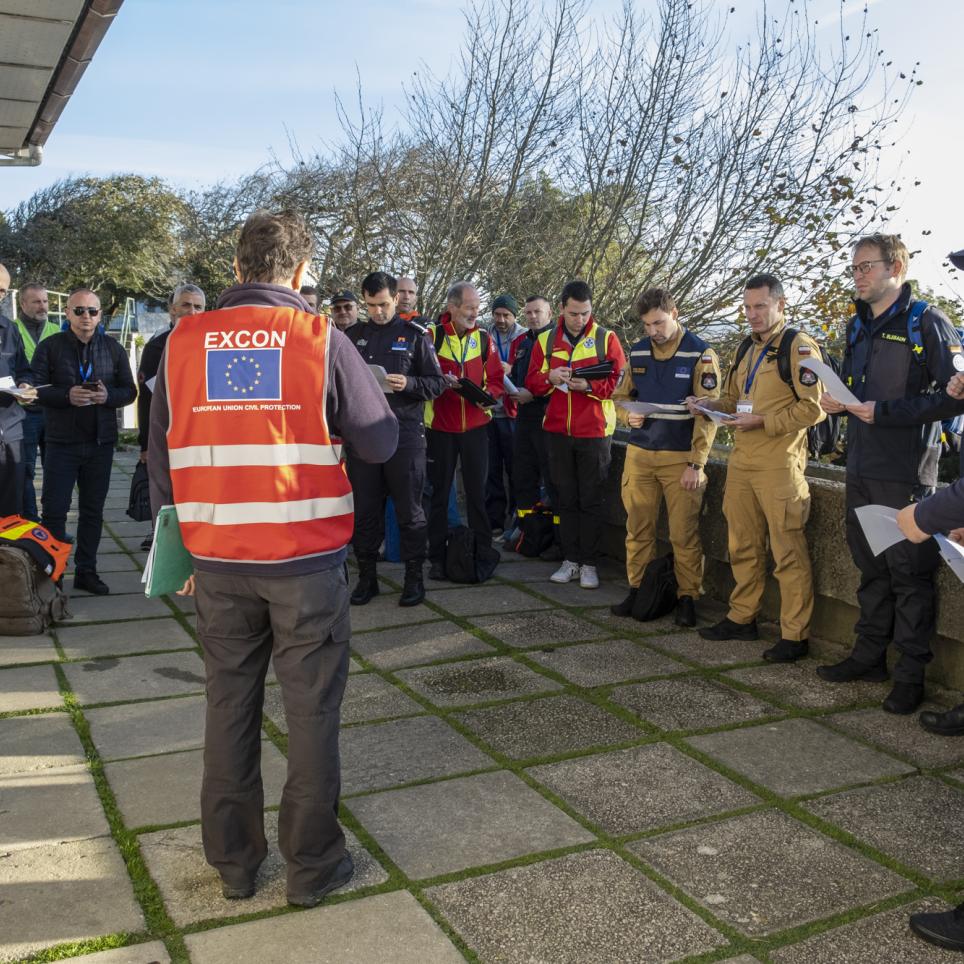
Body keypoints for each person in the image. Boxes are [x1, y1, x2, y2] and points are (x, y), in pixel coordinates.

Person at [148, 209, 397, 906]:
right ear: (301, 271)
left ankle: (233, 864)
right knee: (312, 712)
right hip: (305, 562)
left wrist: (181, 546)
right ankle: (312, 868)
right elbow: (380, 445)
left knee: (228, 704)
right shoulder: (321, 338)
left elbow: (159, 454)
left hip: (218, 559)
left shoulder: (181, 342)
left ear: (235, 269)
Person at [816, 234, 962, 714]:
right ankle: (868, 655)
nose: (857, 275)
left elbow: (951, 397)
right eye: (854, 267)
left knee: (910, 579)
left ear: (895, 267)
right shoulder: (856, 325)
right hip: (860, 465)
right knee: (869, 569)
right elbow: (857, 392)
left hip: (905, 474)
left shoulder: (928, 322)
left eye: (866, 266)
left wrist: (886, 412)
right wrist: (837, 402)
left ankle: (910, 678)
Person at [690, 273, 824, 661]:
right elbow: (733, 399)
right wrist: (706, 404)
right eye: (747, 307)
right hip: (742, 462)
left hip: (779, 465)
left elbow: (813, 408)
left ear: (780, 305)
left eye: (760, 306)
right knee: (742, 545)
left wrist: (764, 421)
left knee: (788, 553)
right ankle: (742, 617)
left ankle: (795, 636)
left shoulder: (798, 346)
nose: (752, 314)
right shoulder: (747, 347)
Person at [612, 288, 721, 626]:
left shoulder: (701, 353)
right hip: (640, 453)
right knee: (638, 527)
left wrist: (696, 463)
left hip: (679, 456)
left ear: (675, 313)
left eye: (658, 323)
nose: (653, 331)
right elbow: (620, 396)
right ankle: (637, 589)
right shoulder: (639, 351)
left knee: (683, 533)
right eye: (646, 325)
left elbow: (709, 414)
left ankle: (688, 596)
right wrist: (626, 416)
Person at [346, 271, 445, 606]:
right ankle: (367, 579)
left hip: (405, 434)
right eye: (371, 305)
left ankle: (414, 578)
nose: (378, 312)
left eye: (384, 304)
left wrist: (411, 384)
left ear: (396, 299)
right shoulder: (352, 335)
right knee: (366, 512)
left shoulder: (415, 335)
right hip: (364, 435)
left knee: (410, 511)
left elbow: (436, 382)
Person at [32, 288, 136, 594]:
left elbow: (129, 391)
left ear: (100, 314)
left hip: (100, 443)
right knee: (54, 511)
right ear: (67, 314)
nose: (86, 317)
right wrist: (66, 395)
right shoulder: (50, 347)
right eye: (79, 311)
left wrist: (108, 396)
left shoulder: (113, 349)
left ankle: (87, 571)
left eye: (92, 311)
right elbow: (36, 388)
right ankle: (53, 573)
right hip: (61, 443)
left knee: (93, 511)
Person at [525, 280, 626, 589]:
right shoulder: (545, 340)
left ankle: (590, 564)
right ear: (562, 309)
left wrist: (590, 387)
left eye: (585, 313)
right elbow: (531, 381)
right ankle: (570, 560)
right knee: (565, 499)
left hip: (594, 432)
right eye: (573, 314)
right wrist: (550, 378)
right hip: (557, 430)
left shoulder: (606, 338)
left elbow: (620, 383)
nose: (580, 320)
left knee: (591, 499)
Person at [425, 282, 505, 579]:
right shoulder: (431, 336)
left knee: (476, 492)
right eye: (469, 307)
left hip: (475, 426)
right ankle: (436, 556)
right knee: (439, 494)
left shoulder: (483, 338)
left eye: (477, 307)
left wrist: (487, 395)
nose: (475, 313)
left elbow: (496, 378)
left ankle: (482, 551)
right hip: (440, 428)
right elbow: (420, 378)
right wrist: (439, 384)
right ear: (452, 307)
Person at [136, 284, 207, 549]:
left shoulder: (213, 340)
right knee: (166, 493)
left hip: (202, 433)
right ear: (172, 309)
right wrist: (145, 444)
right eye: (186, 305)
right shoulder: (158, 346)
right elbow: (149, 398)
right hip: (169, 434)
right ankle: (165, 546)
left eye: (198, 306)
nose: (192, 311)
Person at [505, 295, 560, 556]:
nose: (533, 317)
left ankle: (556, 541)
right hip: (524, 417)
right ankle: (527, 533)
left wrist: (535, 394)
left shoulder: (557, 341)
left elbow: (559, 382)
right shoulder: (523, 342)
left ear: (550, 313)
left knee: (553, 480)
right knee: (523, 477)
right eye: (528, 313)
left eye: (538, 312)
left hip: (547, 416)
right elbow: (516, 375)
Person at [13, 283, 60, 522]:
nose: (43, 306)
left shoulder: (57, 329)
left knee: (55, 471)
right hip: (24, 413)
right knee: (27, 470)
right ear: (23, 304)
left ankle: (53, 522)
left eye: (45, 301)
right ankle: (31, 522)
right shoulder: (11, 330)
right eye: (36, 301)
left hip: (53, 411)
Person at [485, 293, 526, 534]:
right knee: (491, 470)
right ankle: (495, 521)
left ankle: (517, 518)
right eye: (497, 314)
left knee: (516, 468)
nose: (501, 319)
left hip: (513, 412)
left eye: (506, 315)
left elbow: (531, 370)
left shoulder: (523, 338)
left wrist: (512, 369)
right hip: (490, 411)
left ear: (514, 315)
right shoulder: (484, 335)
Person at [0, 264, 34, 517]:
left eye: (3, 291)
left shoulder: (9, 329)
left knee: (12, 508)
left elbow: (23, 369)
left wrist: (24, 385)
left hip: (10, 430)